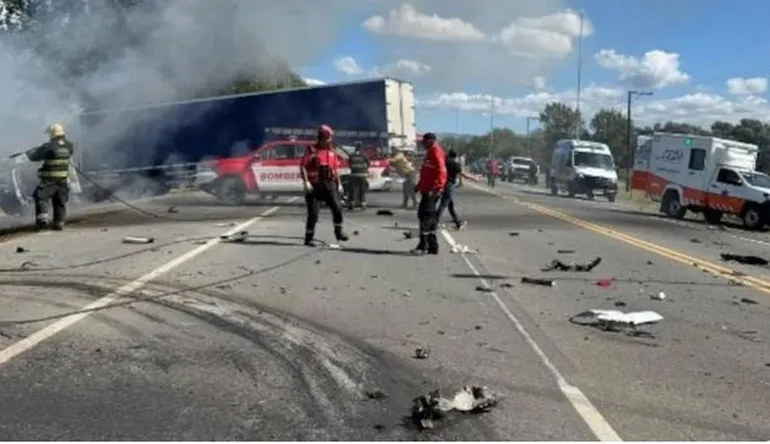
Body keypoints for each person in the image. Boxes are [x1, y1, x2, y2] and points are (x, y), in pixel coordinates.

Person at [9, 123, 75, 230]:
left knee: (41, 197)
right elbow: (58, 150)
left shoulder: (47, 146)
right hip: (62, 179)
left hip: (49, 180)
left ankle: (43, 221)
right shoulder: (70, 145)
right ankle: (59, 223)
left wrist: (30, 152)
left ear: (52, 134)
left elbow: (35, 157)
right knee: (59, 200)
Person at [299, 124, 349, 246]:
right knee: (313, 214)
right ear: (321, 138)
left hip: (329, 184)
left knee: (337, 208)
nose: (329, 140)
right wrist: (306, 182)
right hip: (314, 187)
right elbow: (303, 166)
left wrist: (339, 184)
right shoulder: (311, 150)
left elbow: (335, 169)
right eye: (327, 138)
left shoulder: (332, 152)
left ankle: (339, 232)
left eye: (330, 138)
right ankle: (308, 238)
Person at [412, 132, 447, 255]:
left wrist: (438, 187)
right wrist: (418, 186)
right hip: (426, 190)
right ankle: (433, 246)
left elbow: (442, 171)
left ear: (431, 141)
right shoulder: (430, 152)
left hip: (431, 191)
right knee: (429, 218)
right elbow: (427, 173)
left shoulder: (436, 152)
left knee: (425, 216)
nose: (422, 143)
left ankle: (424, 245)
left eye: (424, 141)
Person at [436, 149, 466, 230]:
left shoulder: (444, 160)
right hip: (449, 185)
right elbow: (461, 173)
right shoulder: (455, 164)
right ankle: (434, 223)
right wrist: (473, 178)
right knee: (443, 205)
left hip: (442, 183)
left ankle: (458, 223)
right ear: (456, 156)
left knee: (450, 205)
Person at [346, 142, 370, 209]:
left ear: (355, 147)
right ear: (361, 148)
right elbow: (368, 164)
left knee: (352, 190)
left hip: (354, 175)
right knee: (362, 190)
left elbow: (349, 164)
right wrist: (364, 169)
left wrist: (354, 169)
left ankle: (352, 203)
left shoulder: (351, 155)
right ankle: (363, 204)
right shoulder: (364, 155)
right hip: (362, 175)